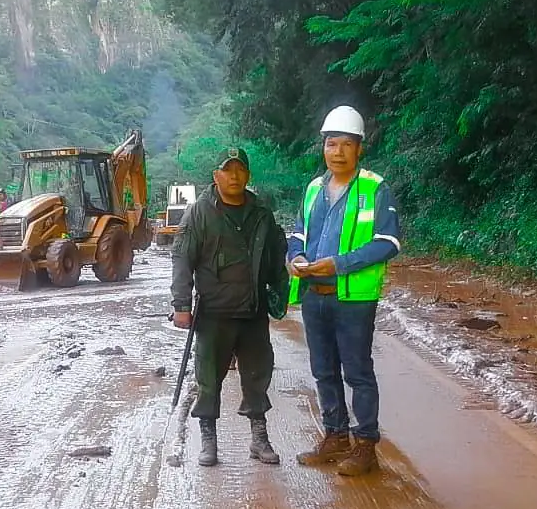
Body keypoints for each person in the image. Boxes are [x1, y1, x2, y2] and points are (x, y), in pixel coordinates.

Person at [287, 106, 403, 476]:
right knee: (323, 370)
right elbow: (298, 233)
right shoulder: (312, 189)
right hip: (313, 294)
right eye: (330, 143)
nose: (336, 151)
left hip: (354, 298)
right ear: (323, 146)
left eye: (345, 145)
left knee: (357, 372)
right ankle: (335, 437)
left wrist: (338, 264)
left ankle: (365, 446)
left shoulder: (374, 188)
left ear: (359, 149)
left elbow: (388, 243)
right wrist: (296, 256)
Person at [171, 147, 289, 467]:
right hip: (214, 312)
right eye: (227, 170)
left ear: (248, 176)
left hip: (253, 310)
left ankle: (259, 437)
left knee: (257, 374)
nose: (234, 176)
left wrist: (281, 294)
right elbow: (182, 257)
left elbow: (277, 257)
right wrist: (181, 304)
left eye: (240, 170)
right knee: (209, 378)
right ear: (216, 176)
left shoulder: (262, 213)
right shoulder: (199, 212)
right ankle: (209, 440)